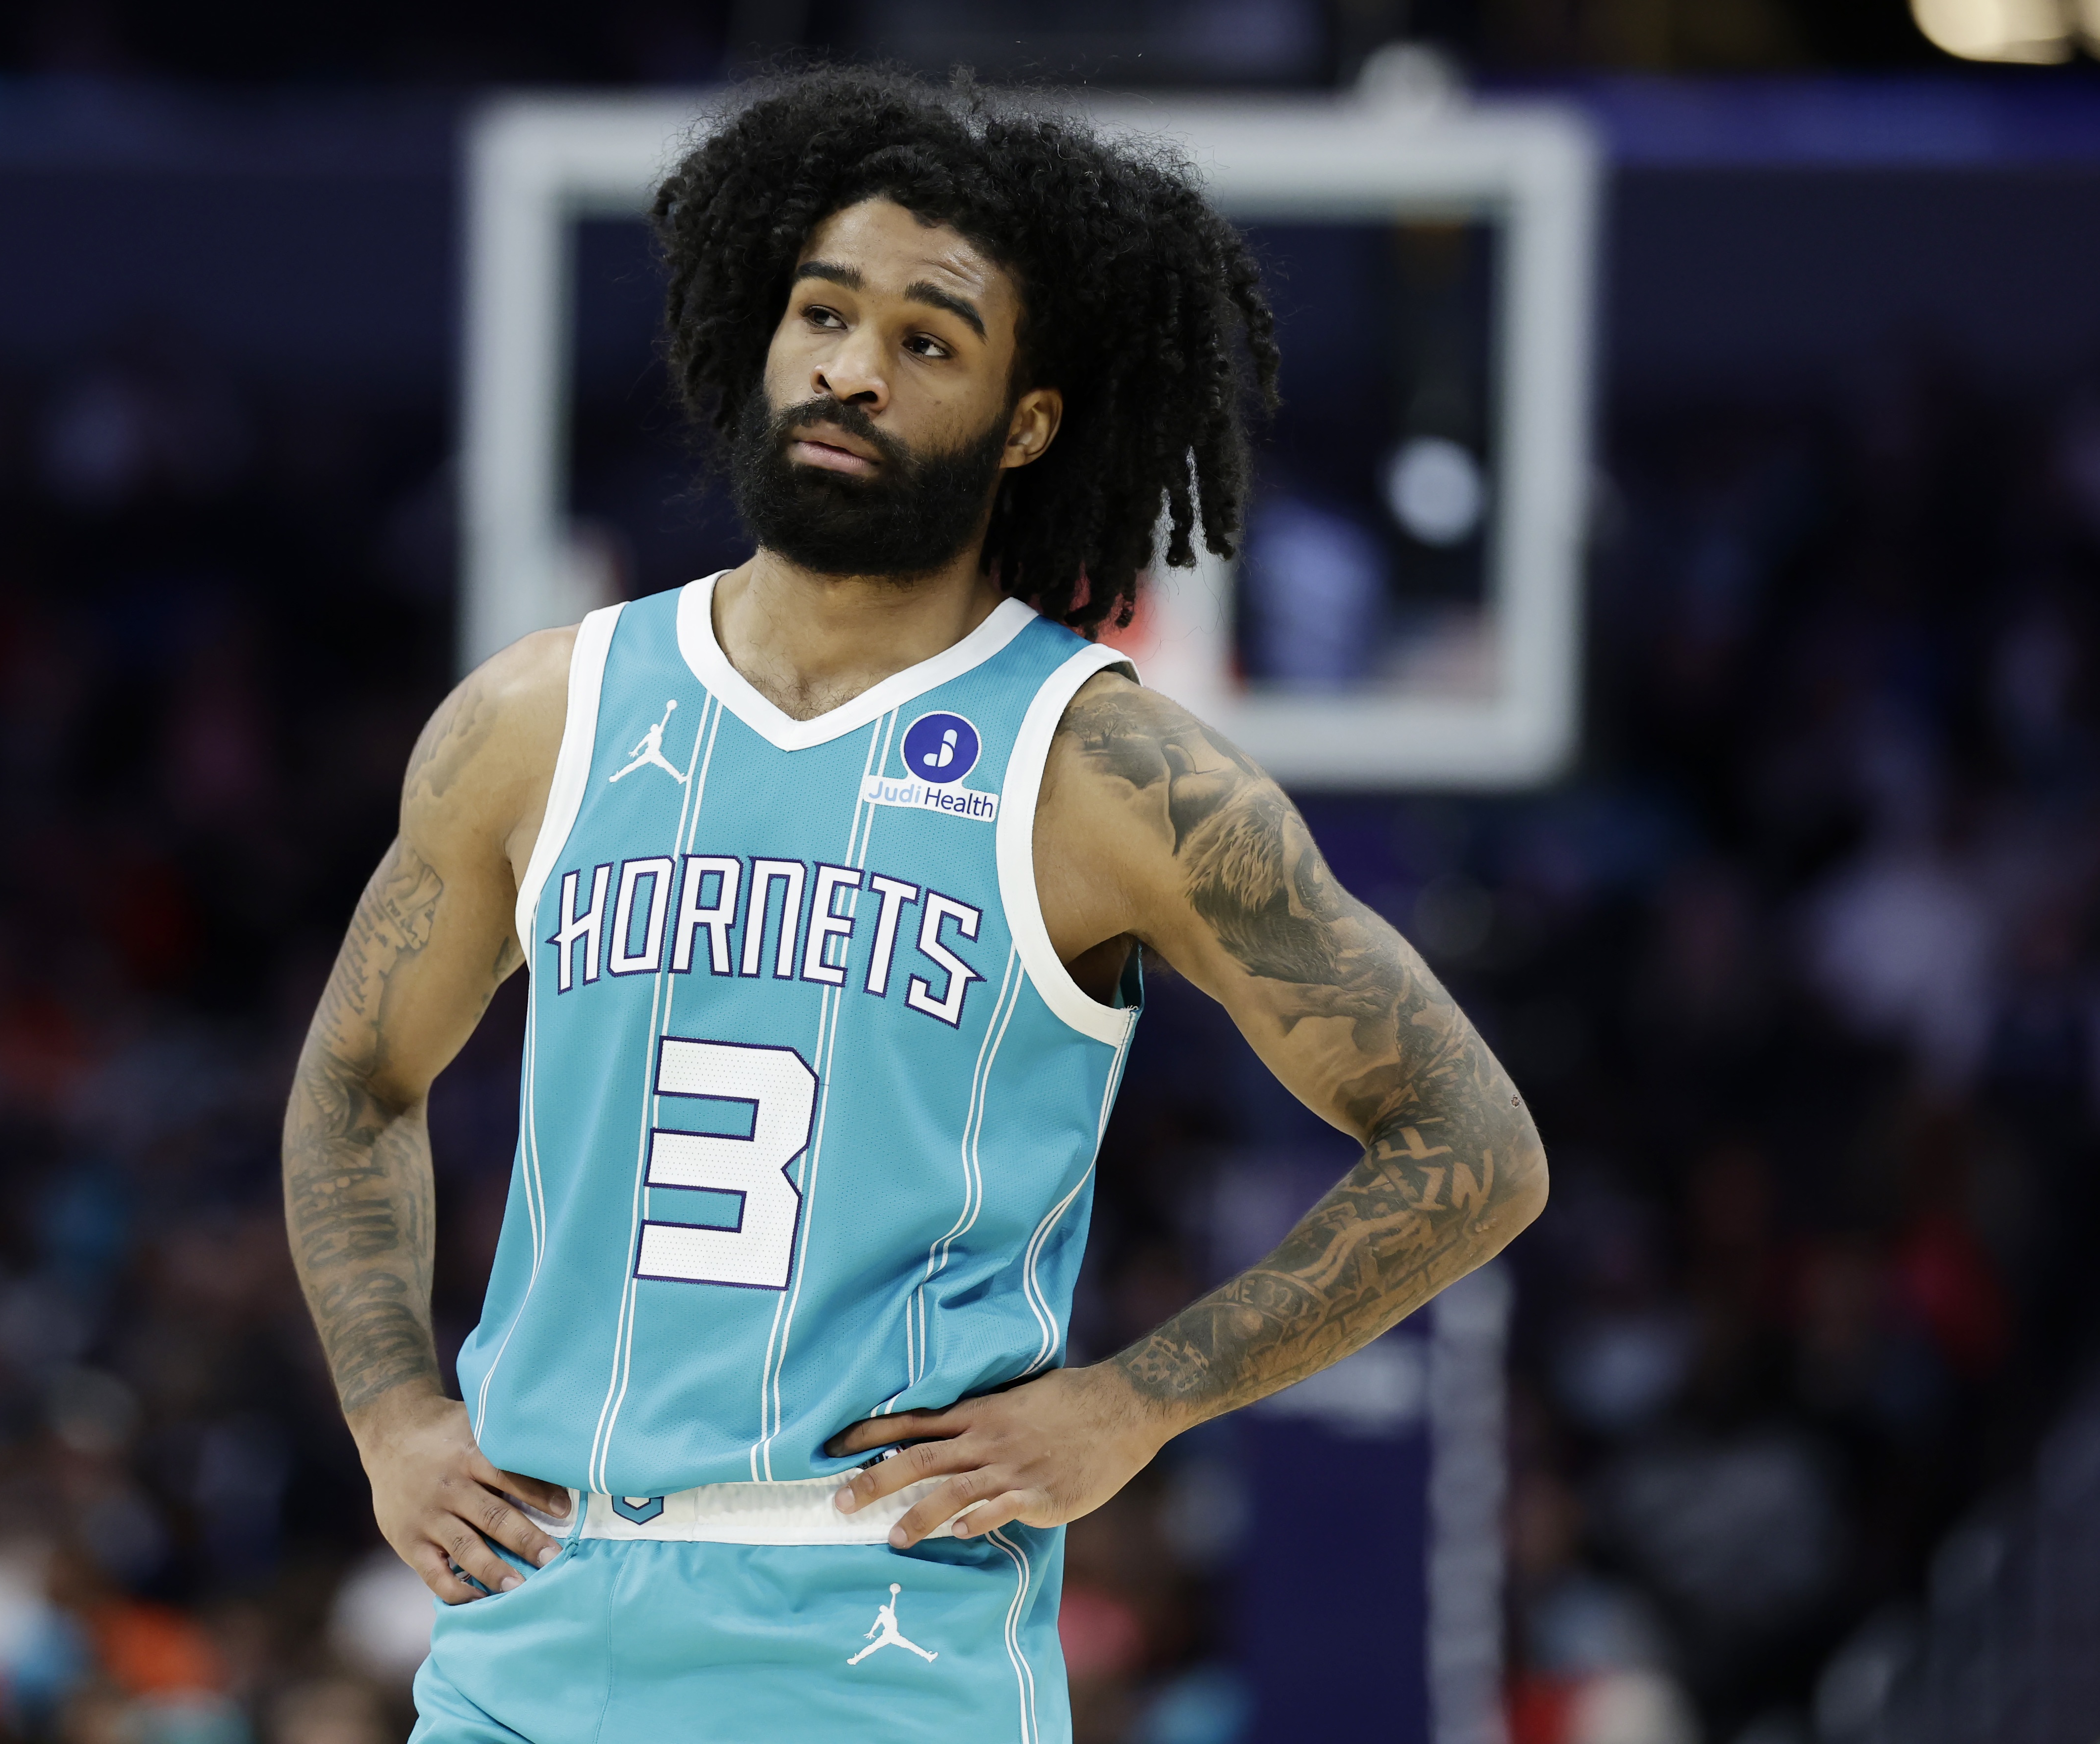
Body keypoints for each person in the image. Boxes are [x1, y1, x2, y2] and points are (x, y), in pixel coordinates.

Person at [283, 66, 1547, 1742]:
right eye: (822, 313)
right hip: (535, 1626)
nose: (850, 368)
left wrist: (1133, 1404)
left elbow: (1473, 1145)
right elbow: (357, 1080)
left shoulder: (1106, 771)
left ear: (1027, 422)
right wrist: (389, 1415)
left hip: (878, 1643)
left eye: (927, 341)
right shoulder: (538, 716)